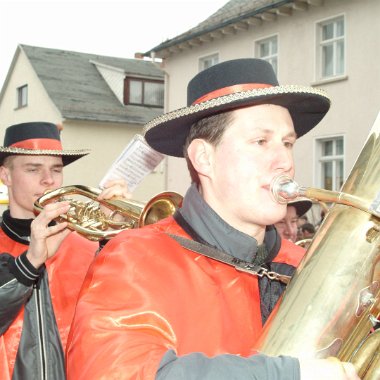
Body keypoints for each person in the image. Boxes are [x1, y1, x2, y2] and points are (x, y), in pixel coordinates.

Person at [65, 59, 359, 379]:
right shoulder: (134, 258)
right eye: (261, 142)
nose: (285, 161)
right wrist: (288, 375)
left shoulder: (305, 264)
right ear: (204, 158)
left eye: (287, 143)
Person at [0, 121, 129, 380]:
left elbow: (124, 314)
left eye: (56, 170)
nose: (48, 180)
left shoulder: (88, 243)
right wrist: (30, 262)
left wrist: (114, 238)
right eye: (33, 169)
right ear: (6, 176)